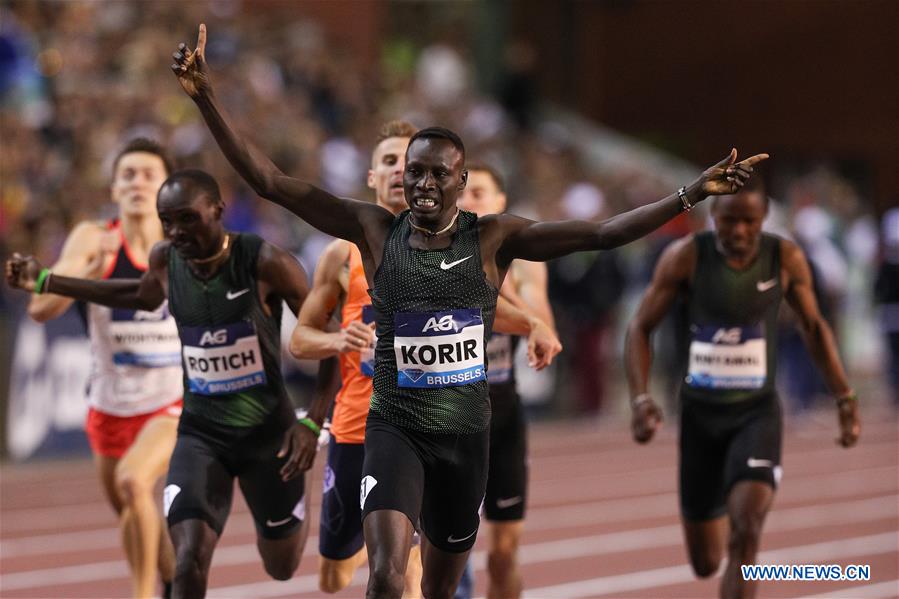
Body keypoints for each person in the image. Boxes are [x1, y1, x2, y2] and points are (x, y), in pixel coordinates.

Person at [172, 23, 766, 598]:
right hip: (394, 427)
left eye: (439, 174)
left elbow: (604, 233)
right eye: (414, 172)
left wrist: (690, 193)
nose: (423, 184)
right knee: (383, 580)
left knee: (438, 586)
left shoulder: (493, 238)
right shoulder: (373, 229)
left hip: (465, 435)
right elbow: (270, 180)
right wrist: (206, 98)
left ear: (461, 180)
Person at [7, 170, 314, 599]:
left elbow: (330, 338)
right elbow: (136, 295)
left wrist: (314, 422)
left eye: (187, 219)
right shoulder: (165, 259)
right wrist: (47, 281)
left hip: (267, 434)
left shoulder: (266, 261)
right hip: (201, 434)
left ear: (218, 212)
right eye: (166, 221)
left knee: (281, 567)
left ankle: (283, 523)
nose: (176, 232)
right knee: (188, 557)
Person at [285, 123, 560, 596]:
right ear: (374, 176)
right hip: (363, 421)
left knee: (410, 571)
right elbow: (303, 339)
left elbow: (503, 302)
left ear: (457, 180)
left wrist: (534, 323)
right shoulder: (353, 245)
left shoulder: (477, 243)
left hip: (458, 422)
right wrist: (337, 349)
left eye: (409, 164)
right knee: (333, 574)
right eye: (394, 164)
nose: (404, 175)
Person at [624, 177, 861, 598]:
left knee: (746, 533)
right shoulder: (685, 257)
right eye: (728, 221)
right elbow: (640, 328)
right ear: (712, 217)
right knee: (706, 562)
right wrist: (641, 397)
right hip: (699, 416)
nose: (738, 232)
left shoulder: (783, 256)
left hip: (757, 413)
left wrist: (844, 397)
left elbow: (813, 326)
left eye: (749, 222)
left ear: (764, 218)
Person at [25, 138, 181, 599]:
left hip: (171, 402)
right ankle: (175, 584)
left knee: (133, 483)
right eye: (128, 174)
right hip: (108, 408)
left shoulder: (181, 244)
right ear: (114, 186)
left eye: (147, 174)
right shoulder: (92, 238)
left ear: (164, 187)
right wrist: (88, 270)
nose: (137, 182)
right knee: (135, 518)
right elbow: (40, 307)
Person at [456, 163, 556, 599]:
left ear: (501, 204)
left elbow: (543, 327)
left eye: (479, 193)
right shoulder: (439, 255)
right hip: (452, 416)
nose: (468, 202)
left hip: (504, 417)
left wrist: (502, 284)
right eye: (461, 194)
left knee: (503, 554)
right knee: (441, 550)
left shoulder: (525, 266)